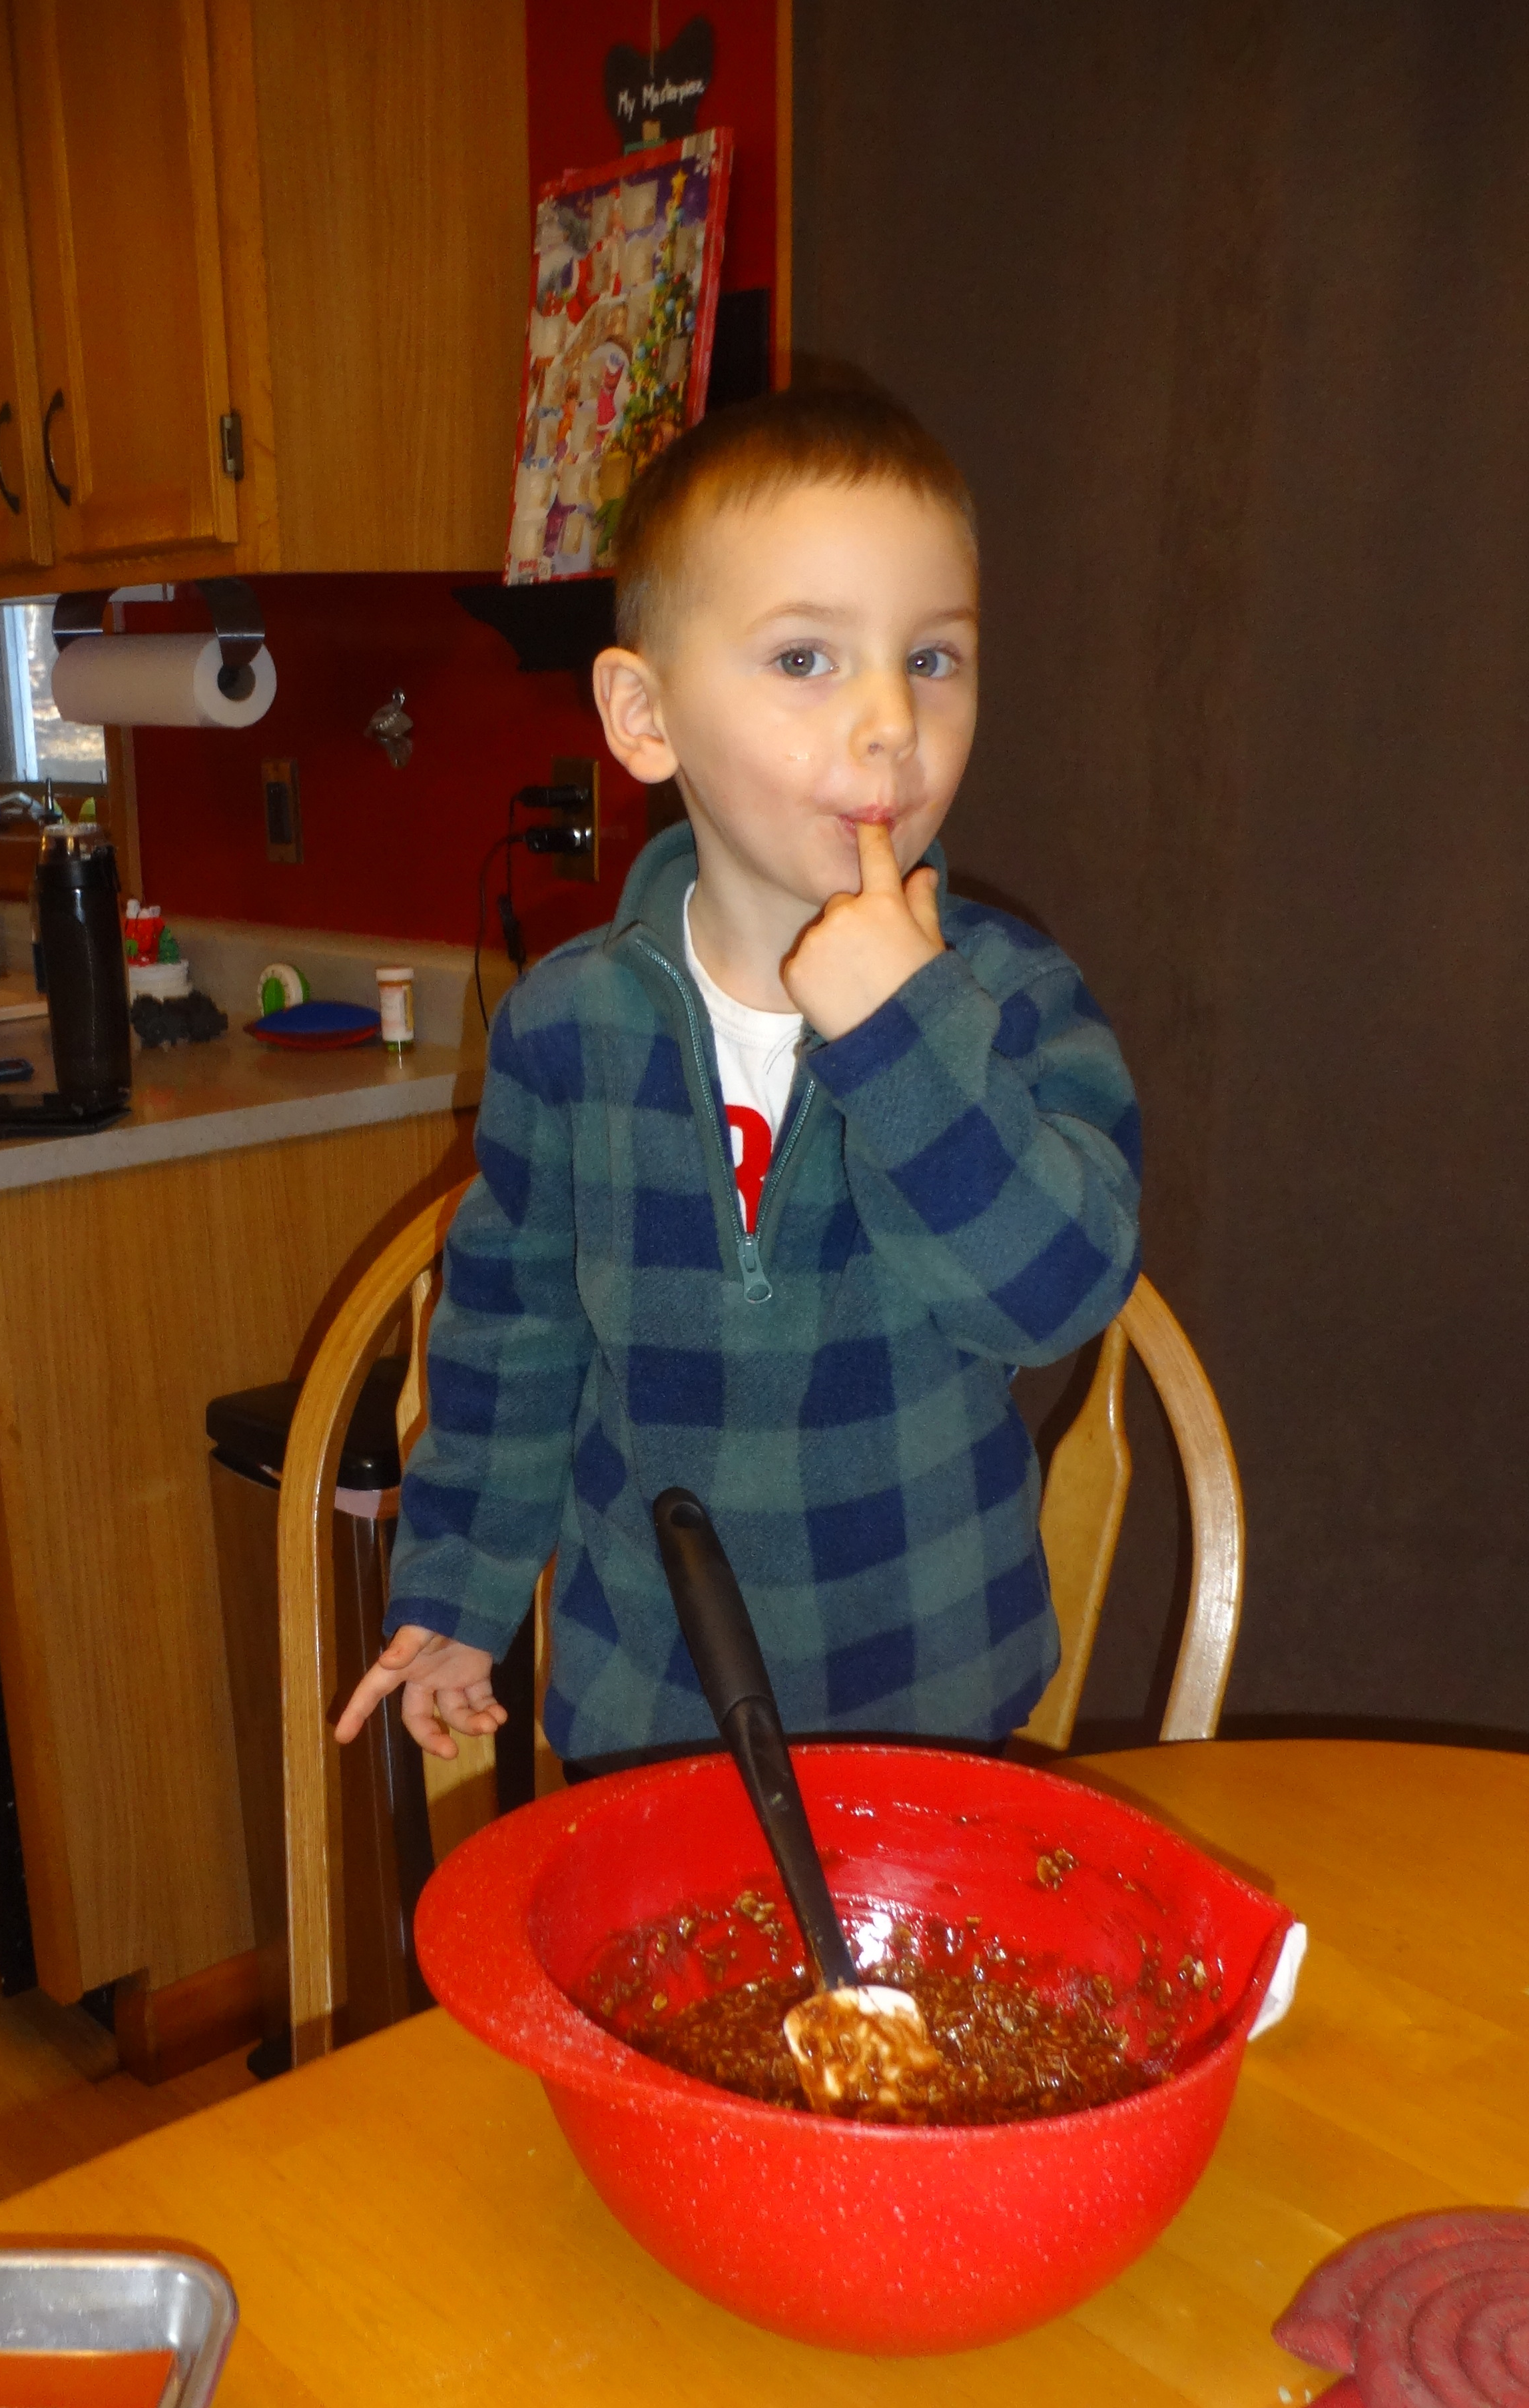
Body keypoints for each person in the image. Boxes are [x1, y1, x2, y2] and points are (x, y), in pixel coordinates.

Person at [336, 385, 1141, 1776]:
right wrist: (461, 1592)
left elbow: (1059, 1295)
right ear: (644, 715)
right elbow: (514, 1337)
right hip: (651, 1715)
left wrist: (901, 1033)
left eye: (933, 658)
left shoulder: (1006, 997)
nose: (890, 721)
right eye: (807, 658)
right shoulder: (565, 1026)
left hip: (935, 1707)